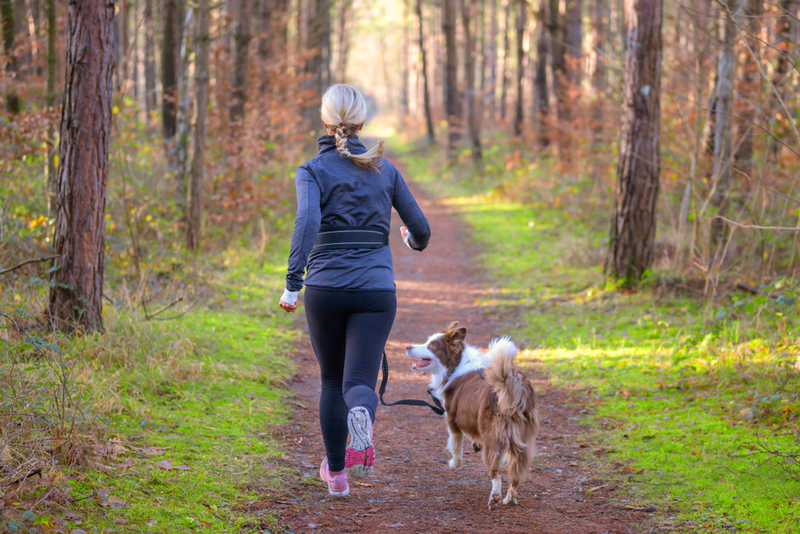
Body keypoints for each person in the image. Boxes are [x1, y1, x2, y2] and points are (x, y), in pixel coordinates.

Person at [278, 84, 431, 497]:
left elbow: (307, 222)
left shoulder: (311, 170)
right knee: (357, 381)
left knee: (330, 382)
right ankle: (362, 411)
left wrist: (293, 283)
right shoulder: (386, 169)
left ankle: (338, 477)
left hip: (325, 288)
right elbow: (421, 230)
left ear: (325, 122)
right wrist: (412, 243)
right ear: (361, 122)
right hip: (376, 291)